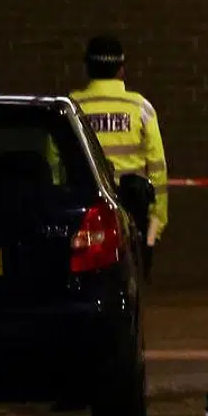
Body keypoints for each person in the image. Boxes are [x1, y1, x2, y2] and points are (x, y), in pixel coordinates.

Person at [69, 36, 169, 282]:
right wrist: (156, 223)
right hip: (132, 209)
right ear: (121, 69)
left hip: (86, 212)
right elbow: (157, 167)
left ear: (87, 68)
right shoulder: (140, 108)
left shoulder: (73, 107)